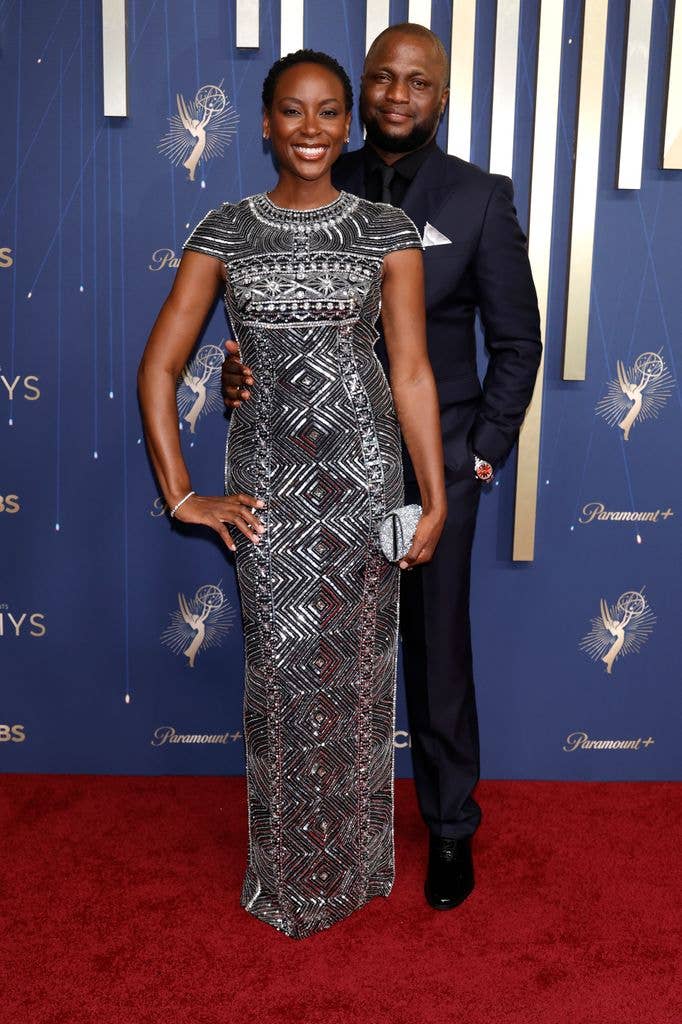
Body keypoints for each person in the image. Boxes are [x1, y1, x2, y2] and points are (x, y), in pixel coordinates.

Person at [222, 24, 542, 912]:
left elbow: (516, 343)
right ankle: (324, 822)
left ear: (442, 96)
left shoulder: (479, 198)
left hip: (430, 470)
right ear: (362, 90)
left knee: (436, 649)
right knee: (323, 649)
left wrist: (476, 459)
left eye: (418, 83)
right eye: (382, 79)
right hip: (323, 471)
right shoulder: (321, 174)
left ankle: (448, 829)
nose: (397, 96)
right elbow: (275, 314)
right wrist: (237, 372)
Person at [137, 49, 446, 939]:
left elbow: (414, 372)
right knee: (280, 677)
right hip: (269, 486)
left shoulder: (387, 232)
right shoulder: (225, 231)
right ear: (266, 123)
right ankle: (289, 879)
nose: (310, 129)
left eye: (327, 113)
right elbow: (160, 368)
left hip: (364, 485)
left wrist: (433, 495)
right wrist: (184, 495)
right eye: (291, 112)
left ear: (348, 125)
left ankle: (355, 867)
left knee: (358, 679)